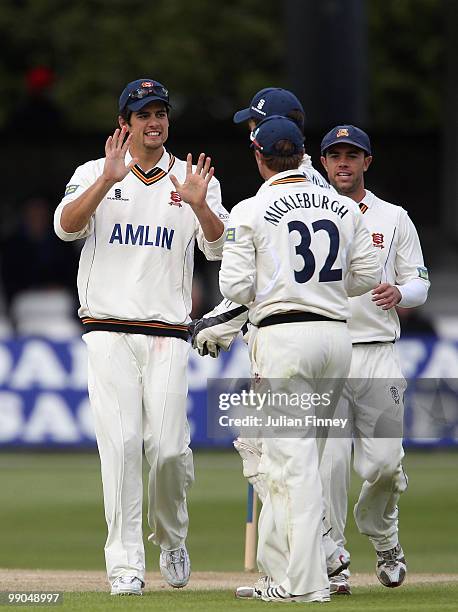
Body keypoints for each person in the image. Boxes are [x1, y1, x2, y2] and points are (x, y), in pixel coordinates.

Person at [54, 78, 228, 596]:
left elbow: (219, 250)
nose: (154, 123)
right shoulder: (94, 171)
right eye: (144, 115)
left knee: (170, 450)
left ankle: (172, 538)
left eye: (161, 114)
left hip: (168, 334)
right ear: (124, 123)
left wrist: (199, 205)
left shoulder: (193, 177)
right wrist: (107, 181)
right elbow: (66, 226)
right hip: (106, 330)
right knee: (124, 447)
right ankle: (125, 565)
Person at [219, 115, 380, 602]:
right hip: (334, 338)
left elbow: (234, 287)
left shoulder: (249, 209)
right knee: (301, 460)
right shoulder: (342, 206)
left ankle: (304, 584)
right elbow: (367, 275)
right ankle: (280, 574)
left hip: (284, 339)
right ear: (305, 154)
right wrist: (322, 290)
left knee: (293, 467)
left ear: (259, 156)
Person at [319, 125, 430, 593]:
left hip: (377, 353)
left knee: (385, 464)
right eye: (335, 155)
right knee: (326, 469)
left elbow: (420, 281)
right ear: (323, 162)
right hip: (323, 349)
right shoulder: (308, 211)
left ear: (367, 161)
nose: (343, 162)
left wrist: (401, 290)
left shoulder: (393, 217)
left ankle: (383, 534)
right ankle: (334, 560)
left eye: (352, 155)